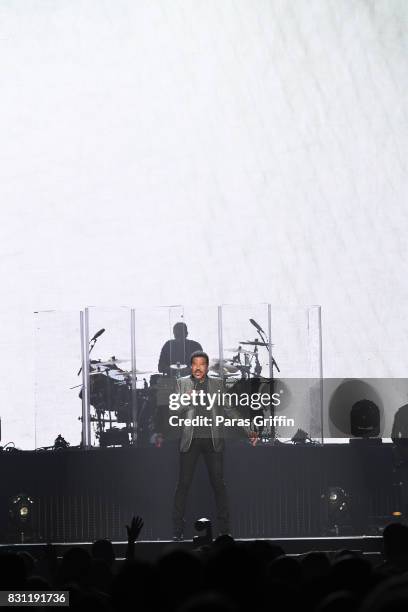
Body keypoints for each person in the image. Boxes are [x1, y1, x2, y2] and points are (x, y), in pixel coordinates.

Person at [171, 351, 257, 540]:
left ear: (207, 367)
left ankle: (225, 531)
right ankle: (177, 531)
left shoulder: (217, 384)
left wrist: (248, 430)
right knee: (183, 485)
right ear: (191, 366)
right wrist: (187, 399)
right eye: (195, 364)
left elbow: (229, 409)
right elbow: (174, 411)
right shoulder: (182, 383)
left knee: (218, 484)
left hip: (213, 439)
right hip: (190, 439)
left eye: (202, 364)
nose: (198, 367)